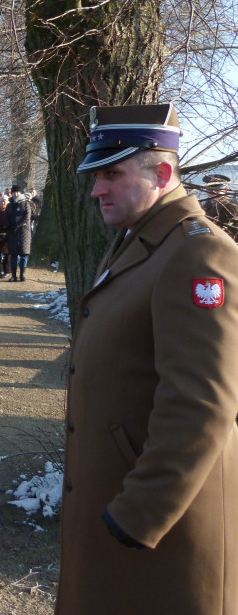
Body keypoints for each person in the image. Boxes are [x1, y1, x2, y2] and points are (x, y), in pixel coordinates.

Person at [62, 103, 238, 613]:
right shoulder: (142, 239)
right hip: (121, 505)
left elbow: (202, 401)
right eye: (97, 175)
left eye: (113, 174)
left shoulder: (199, 254)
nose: (97, 189)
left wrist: (141, 510)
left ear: (163, 173)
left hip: (162, 530)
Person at [4, 185, 32, 281]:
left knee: (24, 254)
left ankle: (22, 275)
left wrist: (18, 225)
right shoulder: (9, 205)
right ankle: (13, 275)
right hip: (12, 232)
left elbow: (27, 217)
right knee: (13, 254)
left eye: (17, 192)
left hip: (24, 232)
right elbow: (6, 217)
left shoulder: (26, 204)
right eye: (14, 192)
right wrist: (9, 226)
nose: (15, 194)